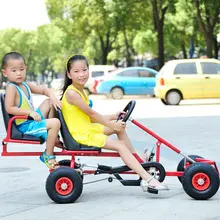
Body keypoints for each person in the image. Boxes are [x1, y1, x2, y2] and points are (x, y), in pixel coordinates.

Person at [60, 54, 169, 193]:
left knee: (120, 128)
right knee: (120, 145)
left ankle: (138, 159)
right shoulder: (72, 94)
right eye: (76, 71)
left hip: (88, 128)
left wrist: (114, 117)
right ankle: (148, 179)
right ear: (69, 74)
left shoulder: (80, 91)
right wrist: (112, 125)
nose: (81, 74)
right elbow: (92, 114)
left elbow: (91, 118)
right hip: (82, 135)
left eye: (84, 70)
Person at [1, 52, 62, 169]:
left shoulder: (25, 85)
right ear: (5, 73)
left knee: (49, 102)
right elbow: (9, 108)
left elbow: (45, 90)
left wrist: (54, 99)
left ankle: (53, 137)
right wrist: (29, 112)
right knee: (55, 122)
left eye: (21, 69)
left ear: (26, 69)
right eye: (14, 70)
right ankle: (48, 155)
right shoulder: (11, 87)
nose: (18, 73)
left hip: (31, 120)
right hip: (25, 125)